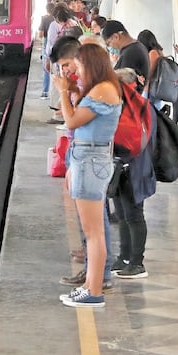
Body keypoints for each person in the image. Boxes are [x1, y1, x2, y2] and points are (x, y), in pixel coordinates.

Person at [51, 42, 122, 308]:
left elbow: (70, 121)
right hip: (88, 157)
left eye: (78, 67)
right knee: (93, 232)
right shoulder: (102, 88)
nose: (76, 72)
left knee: (94, 234)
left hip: (91, 160)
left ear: (91, 65)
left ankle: (94, 291)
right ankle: (89, 286)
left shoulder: (103, 90)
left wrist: (62, 93)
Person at [109, 67, 156, 280]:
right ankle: (124, 257)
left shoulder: (135, 105)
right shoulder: (134, 104)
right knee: (122, 213)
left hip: (133, 167)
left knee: (134, 215)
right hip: (124, 166)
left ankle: (137, 262)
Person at [102, 20, 150, 91]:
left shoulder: (131, 53)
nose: (110, 47)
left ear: (116, 37)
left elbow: (123, 86)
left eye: (108, 43)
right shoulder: (137, 46)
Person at [38, 1, 56, 98]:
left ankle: (45, 92)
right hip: (57, 44)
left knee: (46, 68)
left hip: (46, 42)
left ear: (46, 9)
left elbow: (40, 34)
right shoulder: (57, 20)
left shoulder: (44, 19)